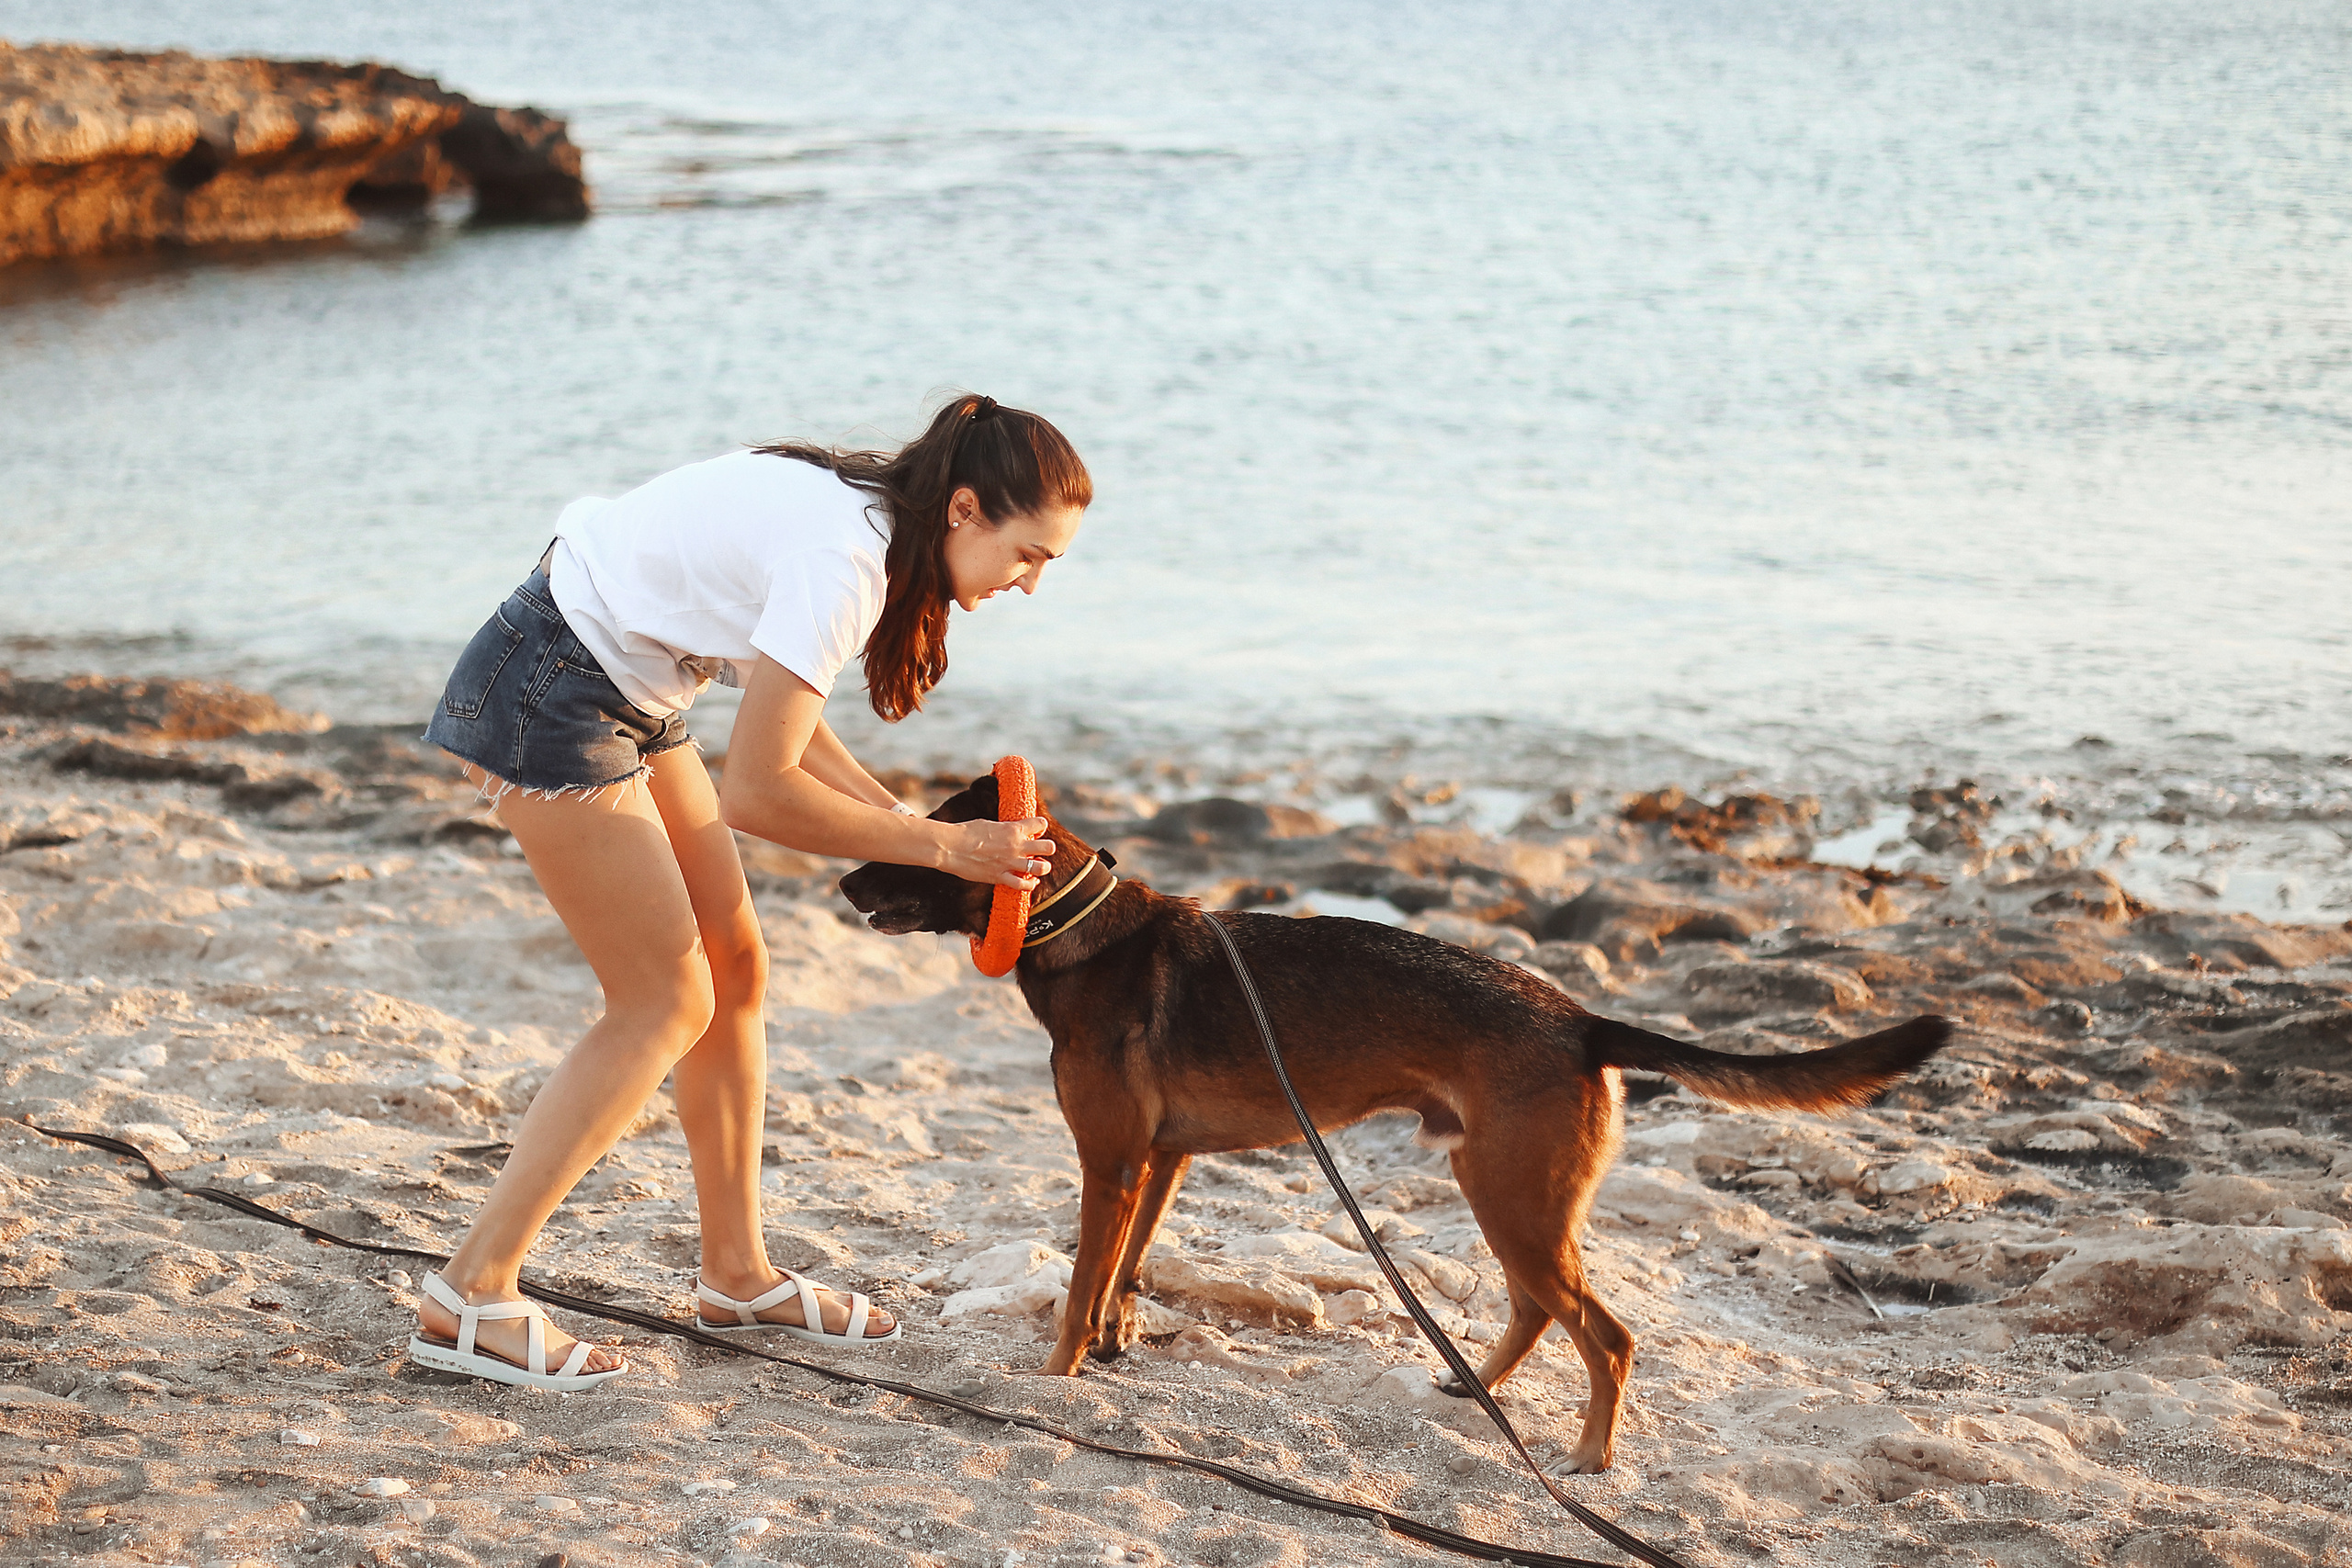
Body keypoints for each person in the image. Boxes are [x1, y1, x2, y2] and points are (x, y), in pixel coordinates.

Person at [403, 395, 1090, 1389]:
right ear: (967, 510)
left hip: (629, 681)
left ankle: (735, 1273)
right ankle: (471, 1293)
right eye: (1030, 555)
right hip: (548, 686)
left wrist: (919, 834)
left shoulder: (874, 525)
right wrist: (944, 852)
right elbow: (758, 792)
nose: (1030, 584)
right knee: (665, 999)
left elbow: (792, 726)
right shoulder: (848, 558)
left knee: (732, 966)